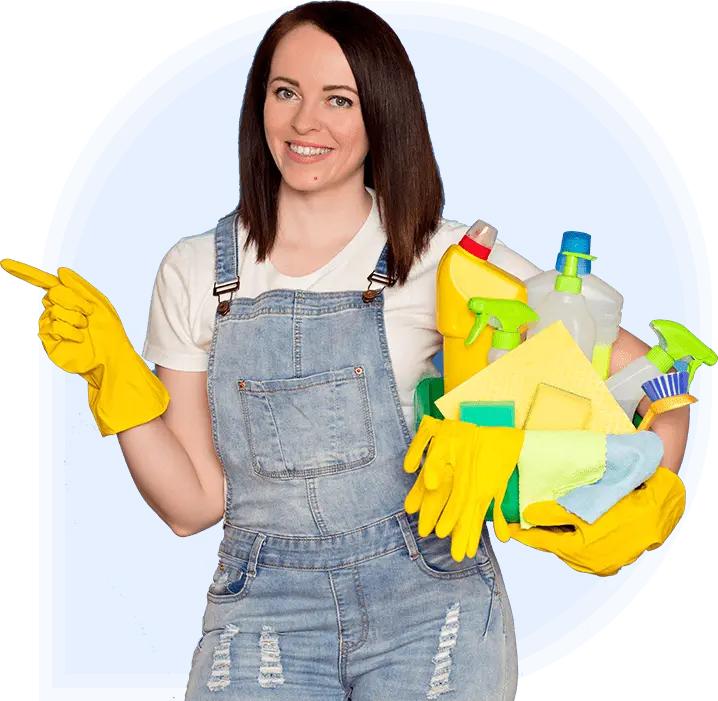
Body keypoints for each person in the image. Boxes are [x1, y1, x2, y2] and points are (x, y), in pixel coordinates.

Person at [1, 2, 689, 699]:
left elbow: (644, 371)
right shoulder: (193, 271)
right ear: (259, 103)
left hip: (431, 597)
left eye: (339, 99)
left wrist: (653, 465)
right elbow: (192, 504)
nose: (305, 123)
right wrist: (114, 381)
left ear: (381, 114)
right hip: (261, 609)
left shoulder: (447, 257)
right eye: (285, 92)